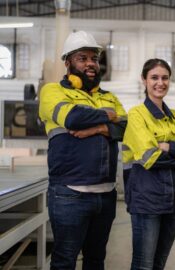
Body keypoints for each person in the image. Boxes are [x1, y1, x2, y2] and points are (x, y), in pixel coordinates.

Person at [39, 31, 127, 270]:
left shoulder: (109, 96)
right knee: (64, 261)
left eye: (94, 58)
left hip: (106, 194)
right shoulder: (52, 91)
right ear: (68, 62)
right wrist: (108, 117)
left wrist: (97, 128)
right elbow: (73, 118)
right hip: (69, 193)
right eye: (82, 58)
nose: (90, 63)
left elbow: (127, 127)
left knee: (96, 260)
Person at [122, 58, 175, 270]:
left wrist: (169, 147)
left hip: (174, 201)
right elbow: (151, 159)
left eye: (165, 78)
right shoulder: (137, 115)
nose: (160, 83)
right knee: (143, 265)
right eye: (154, 77)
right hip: (146, 201)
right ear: (144, 80)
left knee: (159, 264)